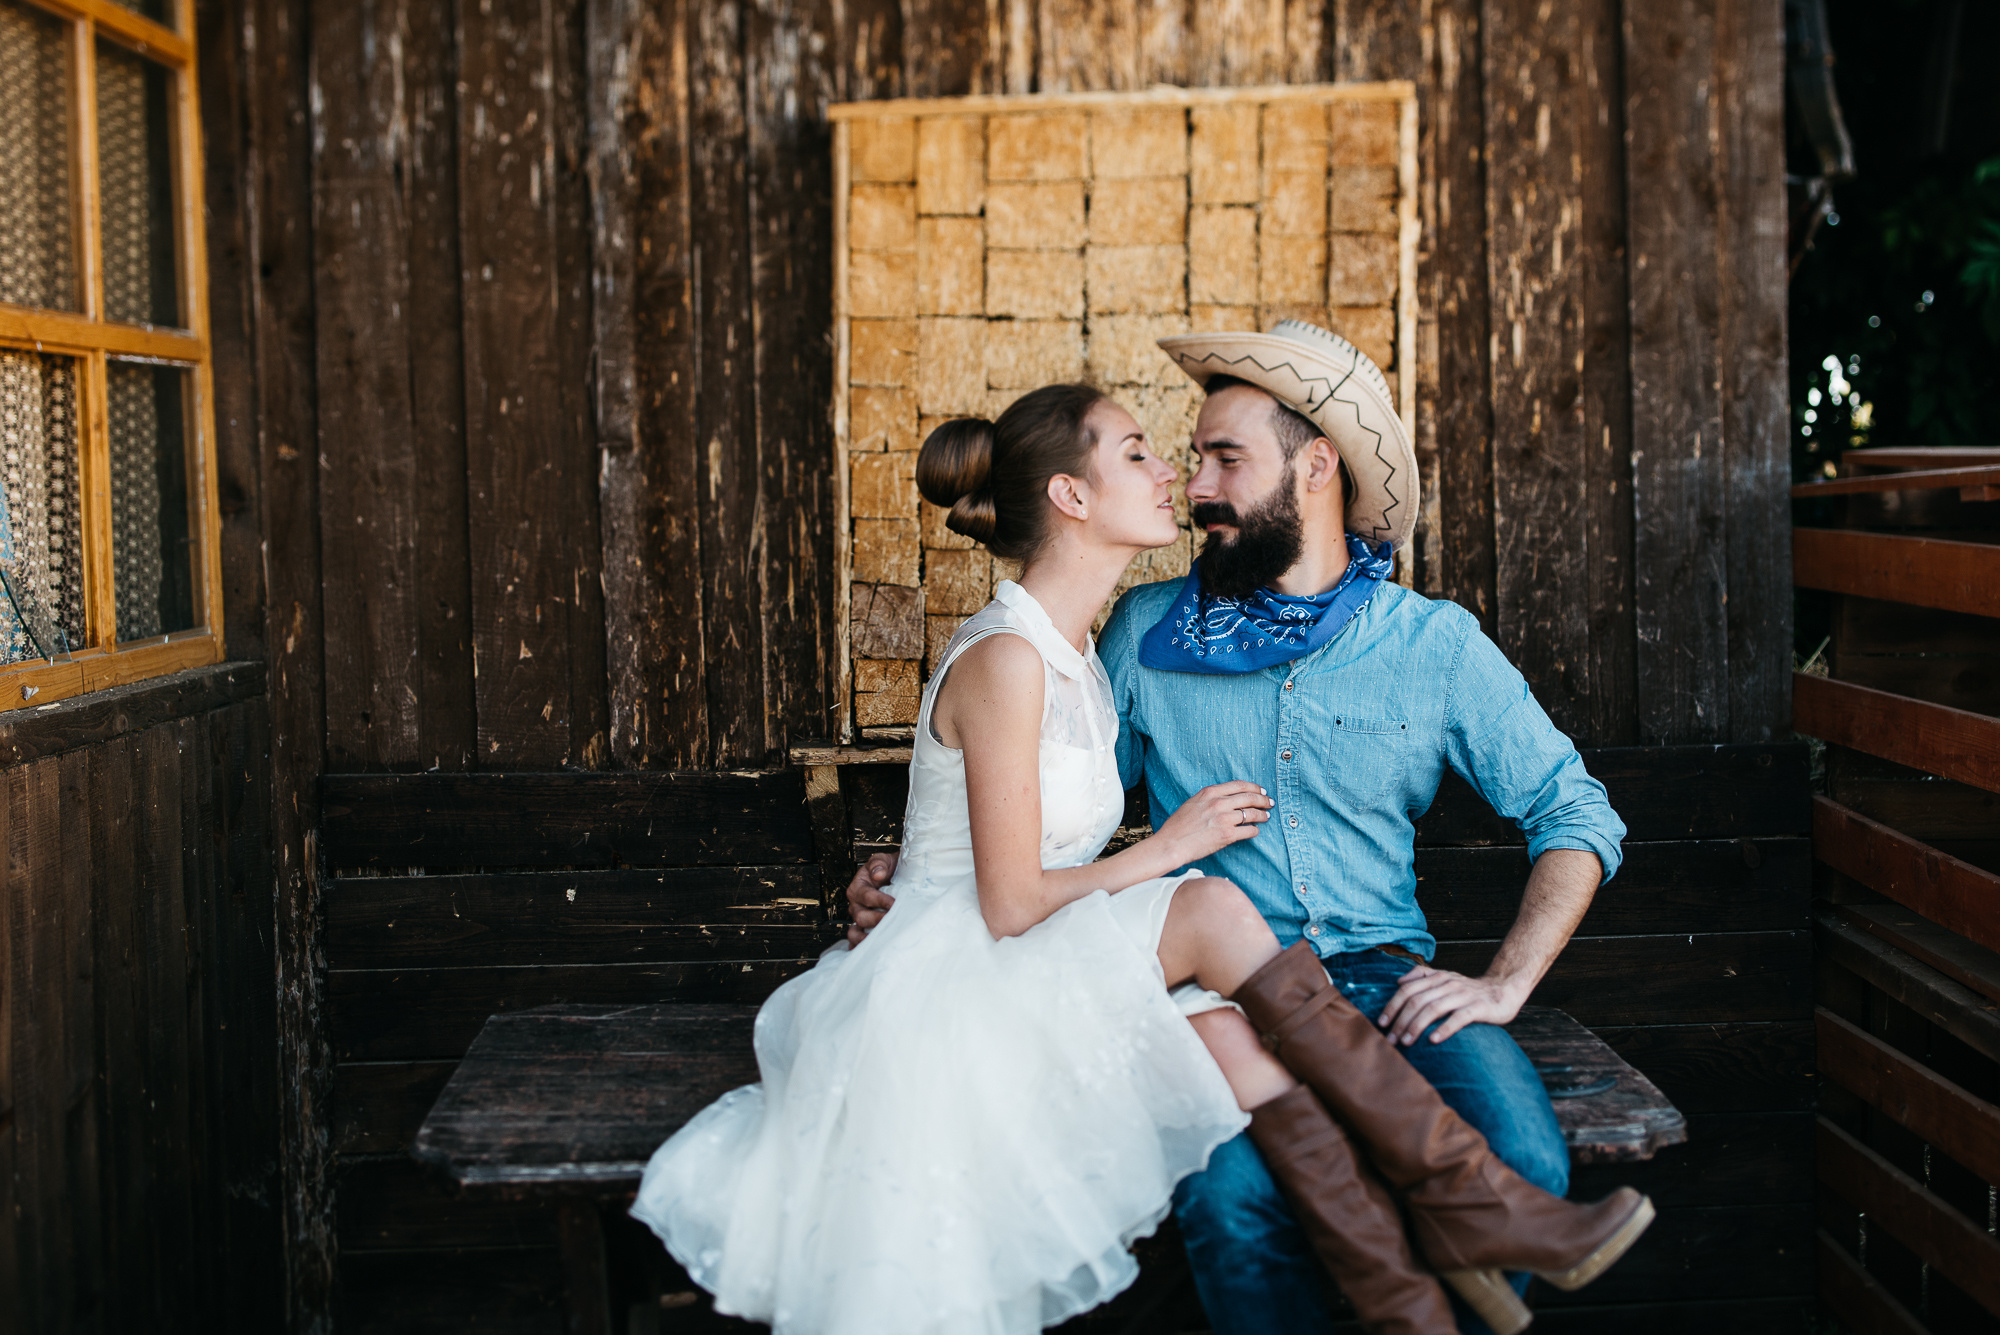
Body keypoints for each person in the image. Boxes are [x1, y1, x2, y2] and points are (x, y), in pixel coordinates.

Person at [846, 325, 1643, 1335]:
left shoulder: (1431, 644)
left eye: (1225, 459)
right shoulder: (1137, 634)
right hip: (1200, 987)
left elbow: (1572, 812)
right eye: (1186, 456)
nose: (1197, 484)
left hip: (1386, 980)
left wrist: (1505, 982)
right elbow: (1051, 819)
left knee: (1524, 1160)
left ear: (1315, 468)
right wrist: (916, 883)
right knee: (1230, 1207)